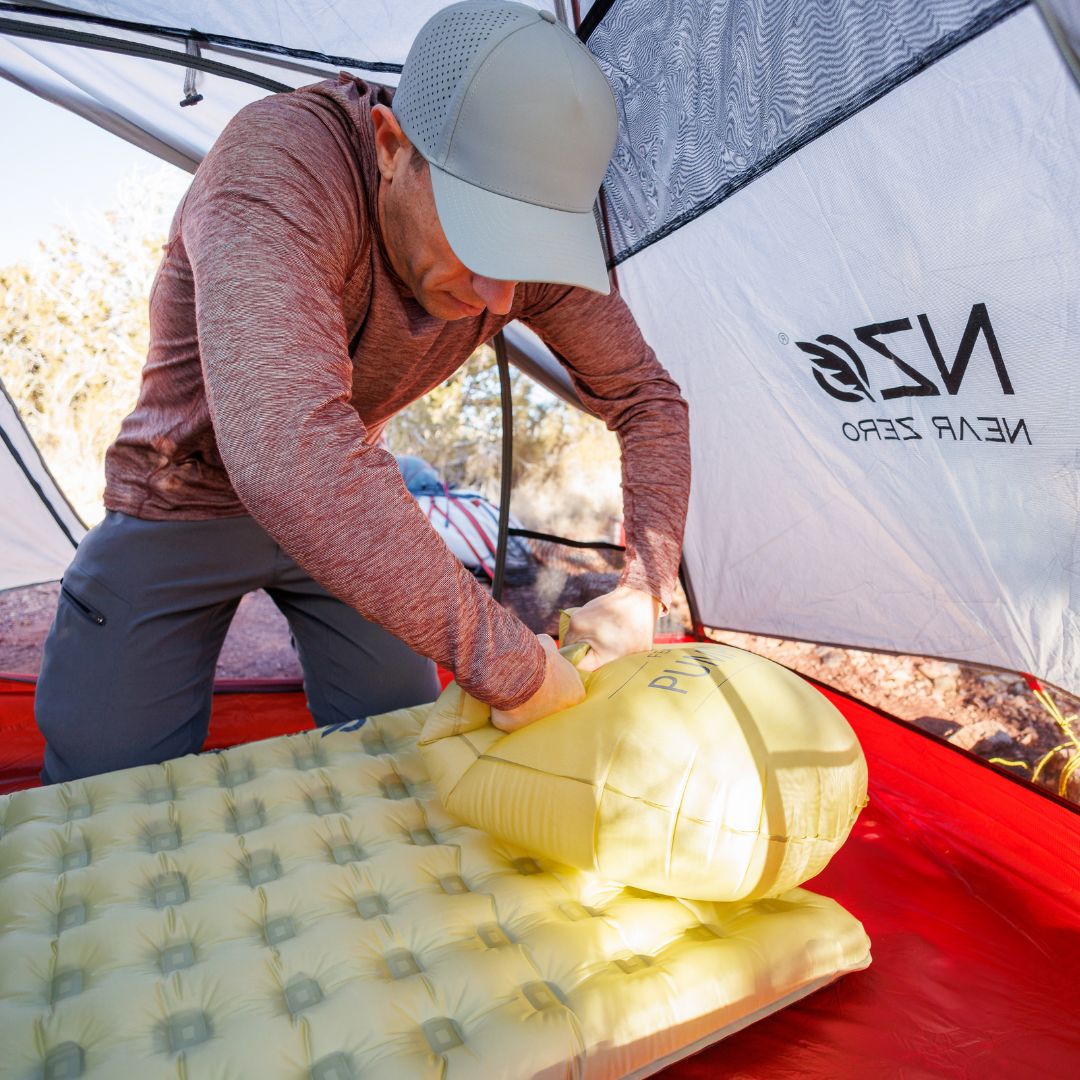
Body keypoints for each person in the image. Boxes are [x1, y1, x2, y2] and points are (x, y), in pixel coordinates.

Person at [34, 0, 691, 784]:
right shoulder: (281, 164)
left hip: (350, 501)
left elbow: (647, 399)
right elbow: (287, 451)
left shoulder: (519, 261)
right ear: (390, 146)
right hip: (184, 493)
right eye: (482, 236)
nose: (500, 296)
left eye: (526, 251)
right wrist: (513, 662)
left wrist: (645, 589)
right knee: (104, 789)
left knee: (411, 741)